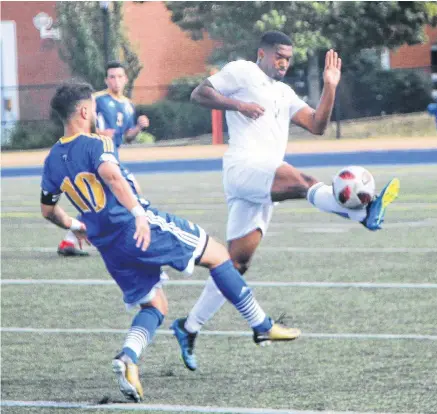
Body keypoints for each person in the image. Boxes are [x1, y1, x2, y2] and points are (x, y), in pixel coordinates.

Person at [41, 81, 301, 402]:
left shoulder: (52, 158)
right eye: (93, 108)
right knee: (218, 254)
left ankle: (128, 358)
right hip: (136, 227)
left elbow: (48, 209)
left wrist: (74, 224)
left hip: (108, 246)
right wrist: (137, 212)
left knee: (155, 304)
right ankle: (260, 323)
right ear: (84, 111)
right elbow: (110, 174)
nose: (96, 113)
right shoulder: (98, 143)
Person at [170, 30, 400, 371]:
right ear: (261, 53)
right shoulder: (242, 70)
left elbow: (317, 124)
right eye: (279, 55)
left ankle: (188, 327)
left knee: (234, 264)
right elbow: (199, 93)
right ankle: (360, 215)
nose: (284, 62)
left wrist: (331, 85)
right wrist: (239, 104)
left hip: (261, 179)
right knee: (302, 181)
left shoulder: (284, 93)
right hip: (245, 167)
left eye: (288, 57)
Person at [57, 61, 150, 256]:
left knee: (101, 201)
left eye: (119, 76)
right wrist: (99, 132)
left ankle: (70, 240)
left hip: (111, 157)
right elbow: (78, 123)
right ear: (106, 80)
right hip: (93, 155)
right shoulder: (96, 100)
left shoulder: (128, 104)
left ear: (125, 79)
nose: (116, 81)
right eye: (112, 77)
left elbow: (127, 137)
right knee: (131, 191)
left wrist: (139, 127)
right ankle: (135, 237)